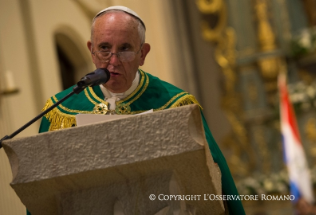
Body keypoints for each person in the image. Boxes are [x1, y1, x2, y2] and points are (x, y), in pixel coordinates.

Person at [37, 5, 246, 214]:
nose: (113, 61)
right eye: (104, 48)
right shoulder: (61, 110)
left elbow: (212, 177)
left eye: (125, 49)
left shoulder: (176, 105)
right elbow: (42, 188)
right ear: (91, 50)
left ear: (143, 54)